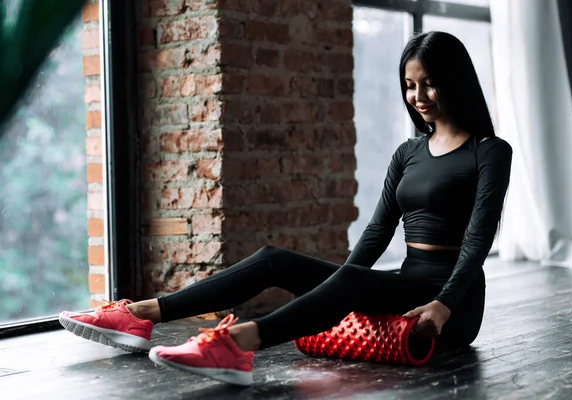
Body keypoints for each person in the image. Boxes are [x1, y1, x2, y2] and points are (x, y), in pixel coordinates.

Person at [59, 31, 512, 387]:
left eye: (430, 83)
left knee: (350, 281)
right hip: (405, 284)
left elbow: (478, 239)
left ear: (455, 80)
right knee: (274, 259)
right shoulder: (408, 152)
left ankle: (239, 345)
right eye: (410, 86)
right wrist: (340, 285)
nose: (419, 96)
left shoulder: (489, 151)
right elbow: (377, 232)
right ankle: (140, 315)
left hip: (454, 301)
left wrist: (445, 304)